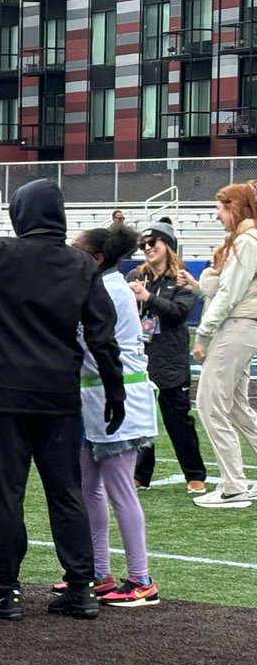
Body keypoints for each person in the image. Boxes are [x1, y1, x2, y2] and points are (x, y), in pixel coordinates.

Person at [0, 176, 125, 621]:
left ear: (20, 213)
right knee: (65, 493)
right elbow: (103, 336)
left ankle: (5, 591)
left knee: (6, 494)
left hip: (1, 396)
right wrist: (115, 390)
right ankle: (81, 588)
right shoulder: (81, 265)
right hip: (58, 397)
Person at [67, 225, 160, 606]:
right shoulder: (105, 285)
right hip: (93, 399)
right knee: (89, 488)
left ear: (96, 258)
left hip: (118, 396)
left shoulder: (108, 290)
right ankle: (99, 572)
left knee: (120, 491)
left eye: (78, 250)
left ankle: (141, 579)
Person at [127, 220, 208, 494]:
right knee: (141, 418)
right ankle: (140, 474)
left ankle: (195, 474)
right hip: (141, 357)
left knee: (178, 420)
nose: (147, 248)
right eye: (144, 244)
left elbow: (179, 314)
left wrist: (147, 297)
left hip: (171, 358)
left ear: (168, 247)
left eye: (154, 243)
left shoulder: (182, 278)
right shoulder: (136, 276)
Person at [189, 181, 257, 508]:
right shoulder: (242, 241)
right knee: (236, 407)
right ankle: (236, 483)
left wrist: (202, 334)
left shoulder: (246, 242)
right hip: (242, 328)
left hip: (238, 326)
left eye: (220, 207)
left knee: (208, 402)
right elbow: (216, 285)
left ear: (235, 207)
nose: (216, 214)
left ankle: (233, 486)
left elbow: (227, 293)